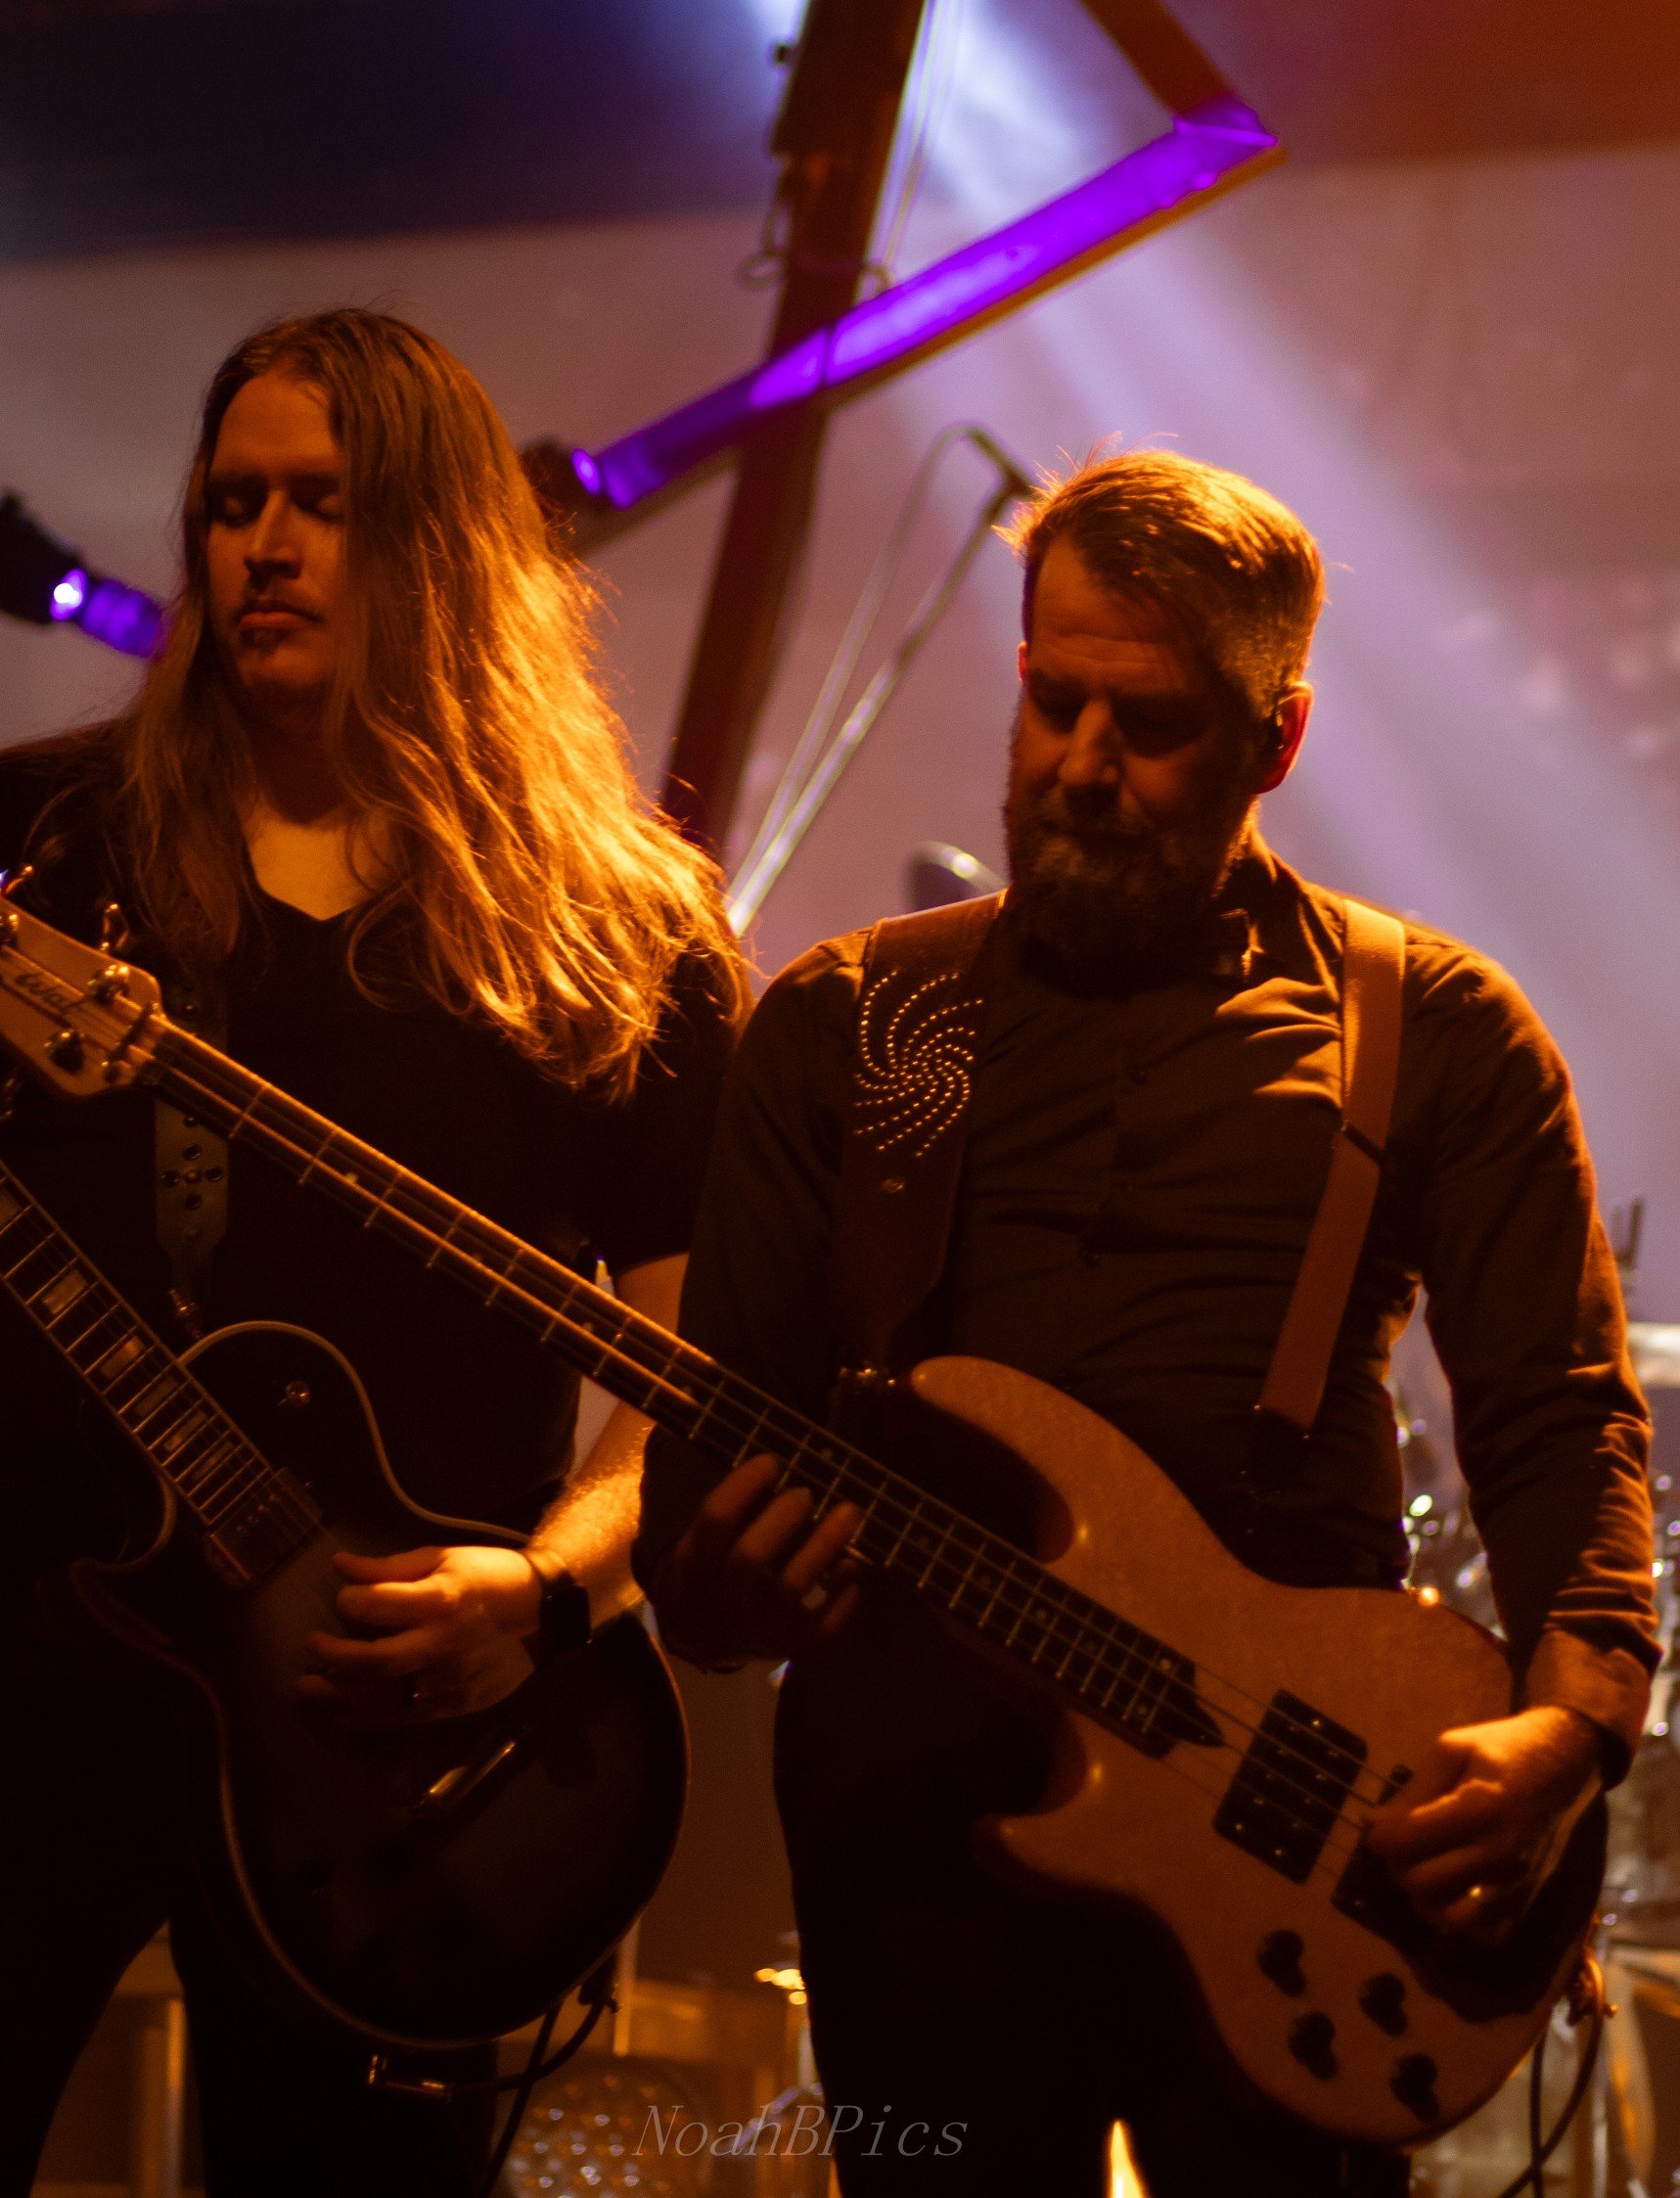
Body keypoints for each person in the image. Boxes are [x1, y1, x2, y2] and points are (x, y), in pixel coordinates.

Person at [634, 448, 1657, 2195]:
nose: (1080, 768)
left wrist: (1566, 1733)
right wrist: (734, 1571)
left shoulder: (1433, 1032)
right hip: (922, 1834)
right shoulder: (865, 1024)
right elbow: (707, 1503)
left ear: (1278, 736)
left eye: (1154, 723)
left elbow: (1560, 1419)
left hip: (1295, 1838)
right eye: (1051, 700)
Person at [0, 308, 745, 2197]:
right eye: (231, 503)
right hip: (2, 1668)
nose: (260, 549)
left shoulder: (610, 933)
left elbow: (697, 1374)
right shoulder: (32, 851)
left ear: (440, 544)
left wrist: (543, 1595)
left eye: (321, 506)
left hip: (380, 1736)